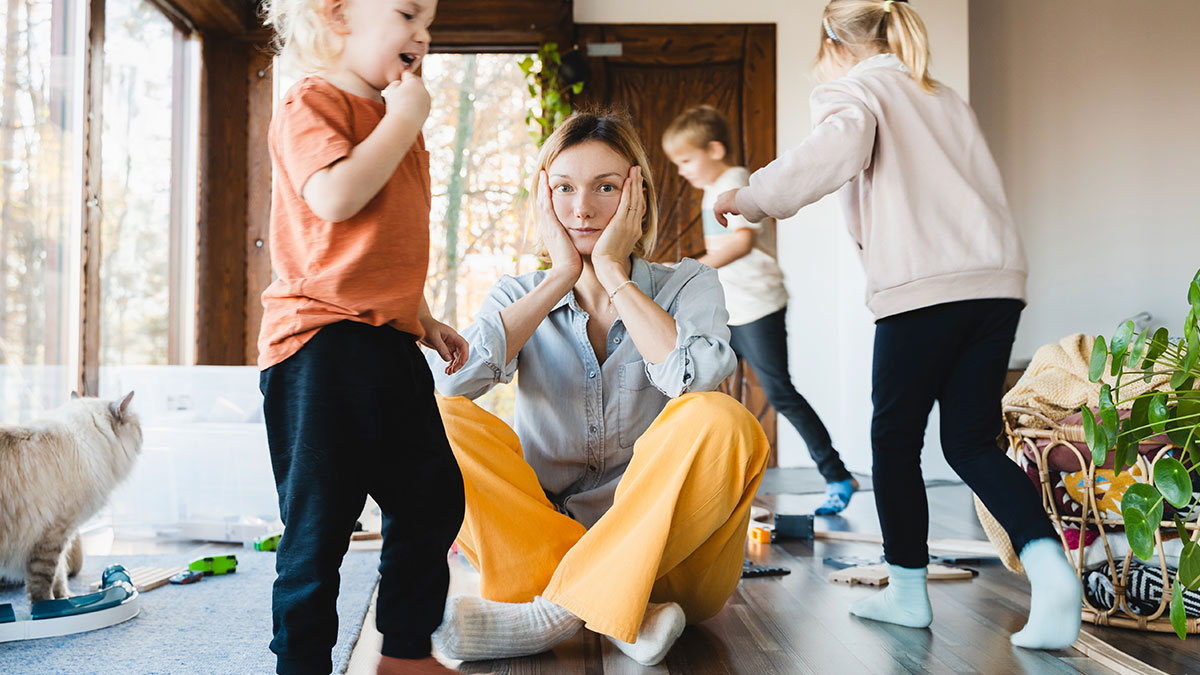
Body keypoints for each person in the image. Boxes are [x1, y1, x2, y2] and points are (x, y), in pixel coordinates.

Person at [714, 0, 1081, 650]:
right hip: (996, 282)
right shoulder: (940, 95)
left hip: (925, 289)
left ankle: (909, 593)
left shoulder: (854, 90)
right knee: (970, 442)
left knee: (894, 439)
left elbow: (830, 153)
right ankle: (1053, 575)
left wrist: (747, 199)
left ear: (835, 42)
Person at [427, 112, 769, 667]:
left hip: (668, 561)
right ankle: (623, 614)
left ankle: (556, 614)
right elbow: (450, 382)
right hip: (535, 552)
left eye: (605, 187)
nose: (582, 209)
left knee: (723, 420)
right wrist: (559, 278)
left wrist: (613, 273)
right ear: (543, 197)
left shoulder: (691, 284)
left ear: (638, 198)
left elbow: (697, 381)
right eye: (563, 188)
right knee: (436, 417)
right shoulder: (518, 293)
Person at [257, 0, 468, 672]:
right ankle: (303, 661)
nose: (423, 35)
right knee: (320, 527)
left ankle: (405, 651)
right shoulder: (311, 103)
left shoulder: (393, 121)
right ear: (339, 13)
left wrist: (422, 312)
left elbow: (381, 238)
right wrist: (405, 119)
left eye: (429, 23)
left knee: (433, 496)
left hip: (387, 340)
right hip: (319, 345)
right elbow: (336, 200)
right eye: (408, 13)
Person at [663, 105, 859, 515]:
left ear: (714, 150)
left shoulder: (734, 182)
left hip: (756, 307)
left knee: (779, 393)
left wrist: (686, 271)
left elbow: (742, 243)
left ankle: (837, 474)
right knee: (698, 388)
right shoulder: (710, 189)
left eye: (686, 160)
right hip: (728, 310)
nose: (682, 171)